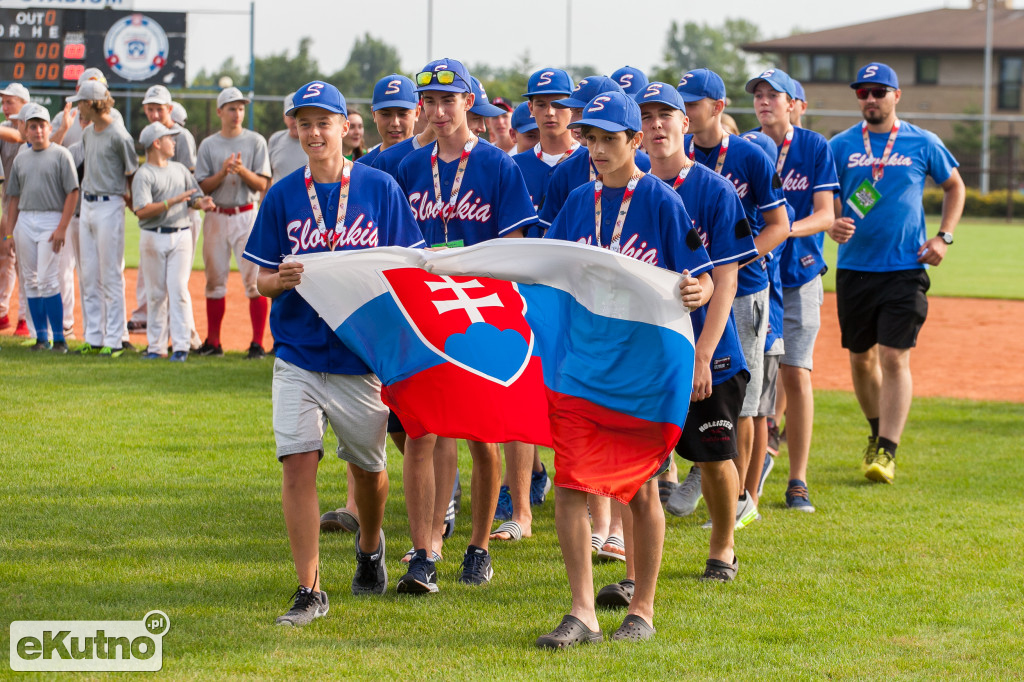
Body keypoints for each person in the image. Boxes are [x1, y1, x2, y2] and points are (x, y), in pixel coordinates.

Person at [243, 80, 424, 625]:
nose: (315, 132)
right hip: (297, 352)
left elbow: (408, 268)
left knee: (368, 470)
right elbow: (259, 280)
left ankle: (370, 545)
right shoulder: (282, 194)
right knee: (297, 463)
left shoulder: (379, 189)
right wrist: (283, 279)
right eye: (305, 123)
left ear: (346, 126)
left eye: (325, 122)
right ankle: (309, 588)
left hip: (357, 358)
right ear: (295, 129)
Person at [538, 90, 713, 647]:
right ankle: (583, 612)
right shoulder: (575, 202)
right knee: (570, 483)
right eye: (590, 139)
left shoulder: (662, 202)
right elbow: (549, 268)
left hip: (642, 368)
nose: (597, 149)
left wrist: (694, 288)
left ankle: (642, 608)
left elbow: (703, 276)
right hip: (582, 363)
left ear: (634, 141)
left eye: (609, 139)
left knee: (639, 489)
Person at [394, 57, 536, 593]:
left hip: (483, 314)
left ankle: (477, 547)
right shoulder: (409, 168)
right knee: (422, 430)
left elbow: (517, 246)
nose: (438, 111)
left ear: (468, 103)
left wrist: (472, 270)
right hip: (426, 312)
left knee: (482, 435)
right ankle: (424, 551)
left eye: (448, 100)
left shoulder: (498, 165)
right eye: (428, 102)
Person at [636, 82, 758, 581]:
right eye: (647, 116)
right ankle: (636, 554)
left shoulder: (714, 189)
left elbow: (727, 278)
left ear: (686, 123)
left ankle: (723, 546)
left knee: (713, 454)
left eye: (668, 114)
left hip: (711, 347)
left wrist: (704, 355)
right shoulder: (634, 191)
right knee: (643, 460)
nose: (657, 124)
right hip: (651, 349)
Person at [828, 62, 965, 484]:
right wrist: (833, 221)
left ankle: (887, 450)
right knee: (861, 359)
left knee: (893, 355)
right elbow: (825, 199)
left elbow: (954, 186)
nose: (871, 98)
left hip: (905, 267)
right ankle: (875, 433)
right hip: (854, 268)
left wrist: (944, 237)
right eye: (863, 92)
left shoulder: (923, 141)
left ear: (896, 96)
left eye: (879, 91)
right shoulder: (840, 145)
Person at [667, 68, 789, 523]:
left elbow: (780, 225)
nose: (683, 113)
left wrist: (733, 258)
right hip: (688, 292)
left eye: (692, 104)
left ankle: (745, 498)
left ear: (717, 108)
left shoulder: (749, 155)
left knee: (745, 398)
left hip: (744, 291)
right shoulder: (669, 159)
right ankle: (705, 467)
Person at [746, 67, 837, 512]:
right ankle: (745, 475)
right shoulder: (744, 144)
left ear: (793, 103)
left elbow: (825, 214)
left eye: (773, 95)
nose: (764, 101)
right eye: (758, 95)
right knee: (752, 380)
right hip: (757, 277)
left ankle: (797, 479)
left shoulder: (813, 146)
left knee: (796, 373)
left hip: (799, 273)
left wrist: (782, 231)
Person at [195, 86, 272, 359]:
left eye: (240, 108)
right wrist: (222, 173)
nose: (237, 113)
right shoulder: (209, 144)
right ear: (219, 112)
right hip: (216, 215)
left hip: (247, 214)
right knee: (215, 281)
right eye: (231, 108)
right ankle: (214, 342)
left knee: (254, 282)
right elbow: (203, 186)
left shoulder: (255, 141)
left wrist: (241, 171)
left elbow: (263, 183)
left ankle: (257, 344)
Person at [132, 122, 215, 362]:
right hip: (152, 236)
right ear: (156, 143)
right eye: (169, 138)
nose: (174, 142)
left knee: (178, 289)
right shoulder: (144, 174)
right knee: (156, 293)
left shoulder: (180, 170)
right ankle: (156, 346)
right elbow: (141, 211)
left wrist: (202, 204)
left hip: (180, 234)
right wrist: (173, 201)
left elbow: (194, 199)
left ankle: (180, 346)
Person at [0, 103, 78, 353]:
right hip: (25, 220)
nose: (37, 130)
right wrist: (9, 232)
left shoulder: (61, 154)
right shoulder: (22, 157)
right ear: (27, 130)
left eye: (41, 125)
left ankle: (60, 338)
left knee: (48, 279)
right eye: (32, 126)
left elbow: (72, 193)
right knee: (31, 281)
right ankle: (41, 338)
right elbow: (13, 197)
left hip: (50, 219)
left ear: (50, 127)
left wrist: (62, 227)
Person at [72, 79, 139, 357]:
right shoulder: (87, 133)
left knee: (110, 274)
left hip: (110, 204)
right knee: (88, 275)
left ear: (90, 103)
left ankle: (114, 340)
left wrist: (133, 202)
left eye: (79, 103)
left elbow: (132, 173)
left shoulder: (119, 135)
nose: (77, 109)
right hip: (86, 204)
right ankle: (94, 337)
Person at [129, 84, 201, 337]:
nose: (155, 114)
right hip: (159, 217)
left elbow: (190, 180)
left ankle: (186, 334)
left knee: (178, 282)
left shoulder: (181, 137)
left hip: (184, 215)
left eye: (159, 109)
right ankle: (156, 327)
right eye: (150, 109)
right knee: (156, 281)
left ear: (169, 108)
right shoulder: (152, 134)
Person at [0, 83, 29, 336]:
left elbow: (20, 137)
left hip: (32, 208)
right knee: (5, 259)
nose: (4, 106)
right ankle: (2, 312)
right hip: (9, 204)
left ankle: (24, 317)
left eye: (9, 102)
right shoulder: (4, 129)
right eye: (3, 102)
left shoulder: (31, 126)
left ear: (23, 103)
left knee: (26, 264)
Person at [358, 75, 419, 168]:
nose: (395, 123)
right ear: (374, 114)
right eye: (385, 114)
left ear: (417, 113)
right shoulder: (362, 167)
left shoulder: (431, 160)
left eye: (402, 114)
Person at [268, 93, 309, 185]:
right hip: (279, 199)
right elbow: (268, 177)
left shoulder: (315, 141)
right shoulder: (275, 139)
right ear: (284, 117)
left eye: (299, 117)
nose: (295, 122)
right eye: (291, 117)